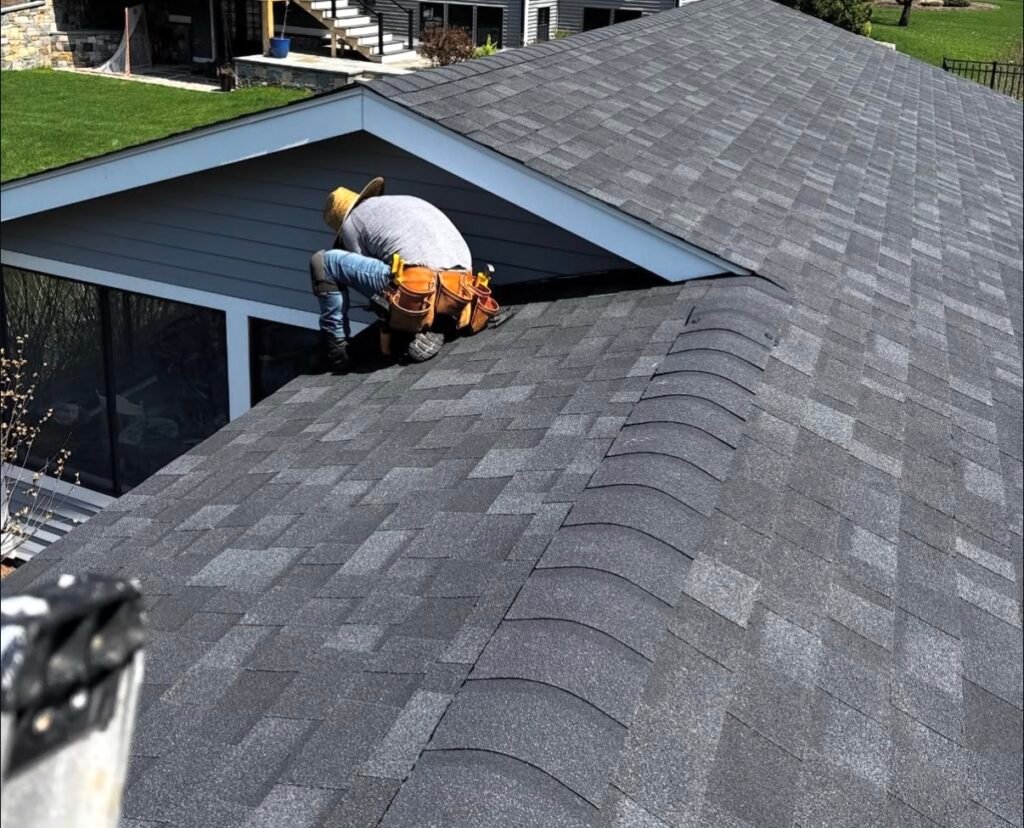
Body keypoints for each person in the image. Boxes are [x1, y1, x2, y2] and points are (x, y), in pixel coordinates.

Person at [309, 177, 474, 370]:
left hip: (425, 285)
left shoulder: (351, 223)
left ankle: (336, 350)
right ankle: (440, 319)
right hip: (463, 286)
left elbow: (367, 276)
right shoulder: (401, 202)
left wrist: (381, 307)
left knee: (323, 262)